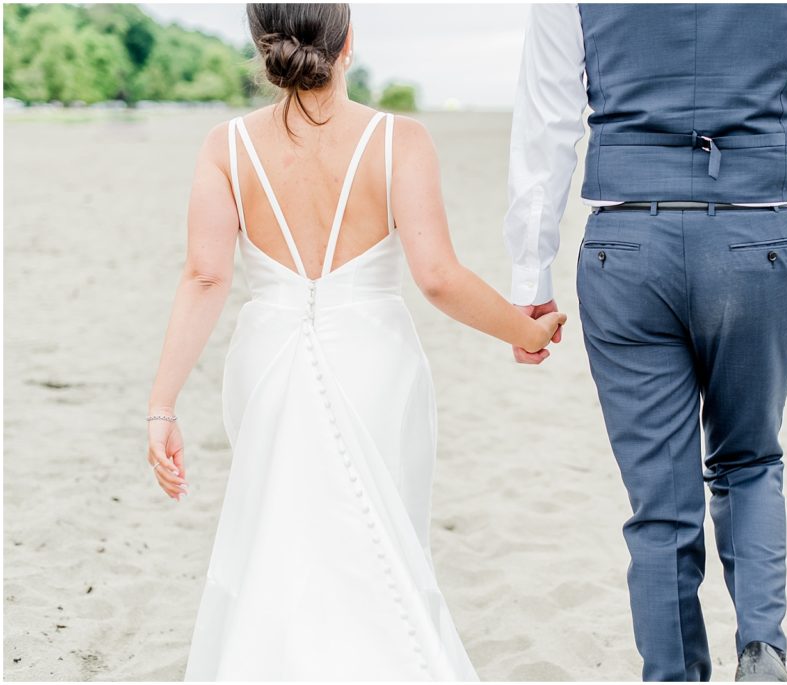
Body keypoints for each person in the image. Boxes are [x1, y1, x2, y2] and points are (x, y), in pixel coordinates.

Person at [145, 4, 563, 680]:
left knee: (275, 545)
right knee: (381, 546)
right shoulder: (401, 139)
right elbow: (439, 276)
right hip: (374, 361)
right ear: (349, 44)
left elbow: (205, 275)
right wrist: (527, 328)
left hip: (267, 356)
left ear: (264, 43)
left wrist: (162, 405)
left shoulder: (226, 146)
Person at [504, 3, 787, 681]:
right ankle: (763, 652)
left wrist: (529, 273)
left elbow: (548, 121)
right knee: (749, 460)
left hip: (626, 248)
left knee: (661, 500)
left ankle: (674, 673)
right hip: (755, 239)